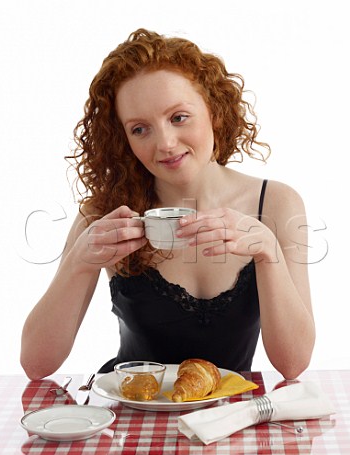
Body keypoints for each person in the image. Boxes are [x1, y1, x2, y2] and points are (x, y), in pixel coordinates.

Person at [20, 28, 315, 381]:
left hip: (230, 419)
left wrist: (268, 251)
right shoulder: (105, 214)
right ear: (123, 139)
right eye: (140, 129)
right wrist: (78, 264)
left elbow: (293, 364)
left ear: (214, 111)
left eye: (178, 117)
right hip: (131, 417)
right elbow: (36, 365)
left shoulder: (277, 204)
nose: (166, 143)